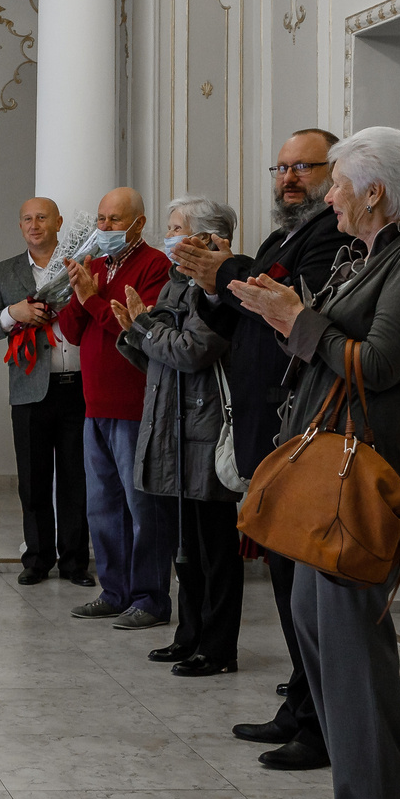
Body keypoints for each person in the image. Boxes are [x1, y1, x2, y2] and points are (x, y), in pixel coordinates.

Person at [232, 126, 400, 799]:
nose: (329, 198)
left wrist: (298, 319)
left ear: (375, 192)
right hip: (332, 456)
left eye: (337, 185)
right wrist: (285, 315)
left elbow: (380, 364)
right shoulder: (372, 252)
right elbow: (328, 342)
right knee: (313, 617)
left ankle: (373, 797)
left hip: (370, 462)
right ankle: (377, 778)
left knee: (350, 629)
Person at [176, 129, 351, 745]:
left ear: (336, 172)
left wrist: (228, 269)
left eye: (303, 167)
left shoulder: (331, 235)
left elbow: (295, 303)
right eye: (280, 168)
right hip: (263, 428)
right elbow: (236, 315)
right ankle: (301, 704)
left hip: (299, 426)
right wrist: (210, 284)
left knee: (302, 582)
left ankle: (314, 716)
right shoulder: (278, 239)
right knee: (285, 582)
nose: (288, 179)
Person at [116, 197, 245, 677]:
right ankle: (188, 635)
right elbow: (160, 359)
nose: (169, 238)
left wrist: (145, 329)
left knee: (214, 549)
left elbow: (192, 351)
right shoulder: (176, 283)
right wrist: (136, 332)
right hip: (173, 426)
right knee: (185, 548)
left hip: (206, 429)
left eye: (177, 229)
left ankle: (218, 647)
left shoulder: (220, 288)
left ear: (208, 238)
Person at [53, 186, 174, 631]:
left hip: (135, 405)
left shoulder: (155, 265)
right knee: (102, 507)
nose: (104, 227)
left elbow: (137, 331)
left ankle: (150, 599)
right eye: (101, 219)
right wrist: (76, 289)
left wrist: (92, 299)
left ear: (139, 224)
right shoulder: (97, 264)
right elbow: (72, 331)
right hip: (94, 406)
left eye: (114, 220)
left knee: (143, 509)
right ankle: (115, 592)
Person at [0, 196, 92, 587]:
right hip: (28, 391)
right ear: (20, 226)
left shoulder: (81, 264)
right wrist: (13, 314)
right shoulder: (4, 272)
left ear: (58, 222)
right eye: (27, 219)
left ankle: (75, 563)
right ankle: (37, 559)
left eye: (42, 217)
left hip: (80, 387)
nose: (34, 224)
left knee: (76, 480)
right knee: (33, 481)